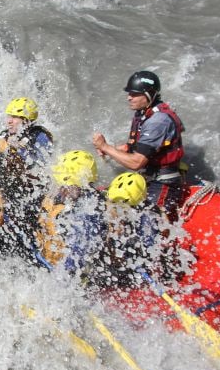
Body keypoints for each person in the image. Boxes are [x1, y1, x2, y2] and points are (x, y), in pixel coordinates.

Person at [92, 71, 187, 221]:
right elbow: (135, 147)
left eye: (135, 94)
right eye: (130, 93)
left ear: (149, 94)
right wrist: (113, 149)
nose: (129, 97)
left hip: (164, 183)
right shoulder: (143, 112)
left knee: (149, 222)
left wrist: (105, 147)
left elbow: (136, 162)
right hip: (147, 178)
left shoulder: (158, 121)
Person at [34, 150, 106, 274]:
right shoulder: (63, 197)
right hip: (46, 257)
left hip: (73, 273)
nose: (60, 189)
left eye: (64, 185)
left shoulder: (87, 213)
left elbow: (72, 263)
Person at [0, 97, 54, 225]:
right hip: (9, 189)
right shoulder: (3, 136)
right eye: (9, 116)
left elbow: (42, 171)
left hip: (31, 193)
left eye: (15, 117)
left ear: (27, 121)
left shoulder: (40, 138)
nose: (9, 121)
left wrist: (18, 154)